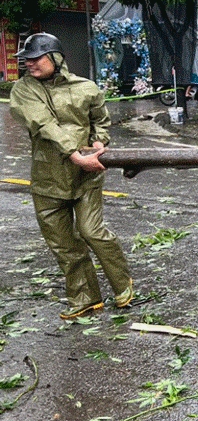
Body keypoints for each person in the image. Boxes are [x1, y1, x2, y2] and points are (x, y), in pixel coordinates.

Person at [9, 32, 134, 319]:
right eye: (26, 60)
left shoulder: (86, 87)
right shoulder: (23, 90)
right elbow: (44, 123)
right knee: (64, 245)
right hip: (48, 177)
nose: (29, 64)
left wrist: (101, 140)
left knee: (92, 231)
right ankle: (85, 297)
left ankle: (122, 283)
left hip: (86, 176)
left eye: (35, 58)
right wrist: (74, 153)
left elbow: (100, 119)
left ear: (55, 57)